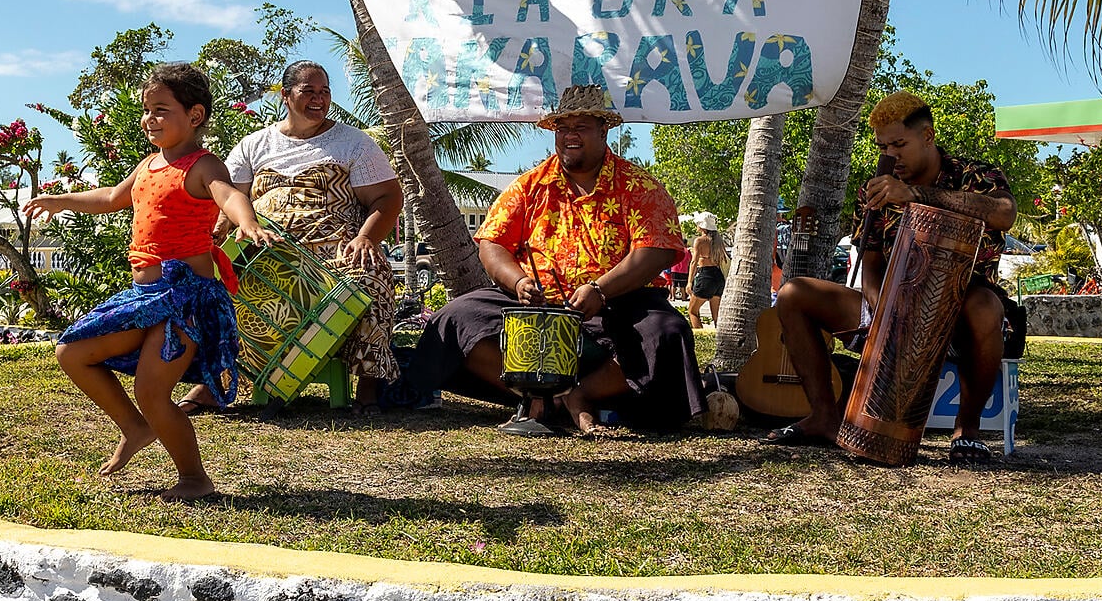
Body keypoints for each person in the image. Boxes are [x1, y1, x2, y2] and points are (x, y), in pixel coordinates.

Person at [23, 63, 273, 500]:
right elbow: (110, 198)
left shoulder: (202, 164)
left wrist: (246, 221)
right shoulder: (149, 164)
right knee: (72, 352)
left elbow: (229, 195)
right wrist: (61, 199)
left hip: (184, 300)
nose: (149, 119)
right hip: (144, 297)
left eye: (161, 110)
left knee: (152, 391)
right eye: (146, 110)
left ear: (194, 116)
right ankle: (135, 428)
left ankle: (195, 479)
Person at [399, 84, 704, 435]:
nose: (569, 136)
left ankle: (576, 395)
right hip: (537, 306)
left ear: (604, 130)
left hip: (620, 302)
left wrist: (600, 290)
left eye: (580, 127)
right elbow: (492, 244)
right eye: (562, 128)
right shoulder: (530, 185)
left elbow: (657, 250)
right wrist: (518, 281)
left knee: (667, 332)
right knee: (456, 317)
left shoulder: (639, 185)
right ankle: (538, 394)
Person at [763, 91, 1016, 465]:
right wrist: (883, 308)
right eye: (883, 145)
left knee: (983, 306)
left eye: (900, 143)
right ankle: (824, 416)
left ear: (927, 136)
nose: (890, 154)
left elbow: (1003, 214)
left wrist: (915, 195)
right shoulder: (874, 188)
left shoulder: (974, 175)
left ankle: (969, 430)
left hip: (962, 309)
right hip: (892, 308)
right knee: (792, 293)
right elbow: (871, 260)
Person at [181, 60, 405, 414]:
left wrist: (366, 238)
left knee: (370, 276)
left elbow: (388, 197)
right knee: (208, 288)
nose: (319, 99)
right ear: (286, 95)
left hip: (334, 254)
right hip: (265, 254)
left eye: (325, 92)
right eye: (309, 91)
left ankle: (370, 387)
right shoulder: (254, 145)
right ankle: (215, 382)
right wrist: (217, 235)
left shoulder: (352, 143)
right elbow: (228, 200)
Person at [686, 211, 728, 329]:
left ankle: (700, 340)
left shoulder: (699, 241)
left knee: (692, 311)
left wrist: (689, 282)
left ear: (702, 225)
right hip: (718, 277)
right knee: (716, 317)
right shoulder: (719, 241)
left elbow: (694, 262)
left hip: (706, 276)